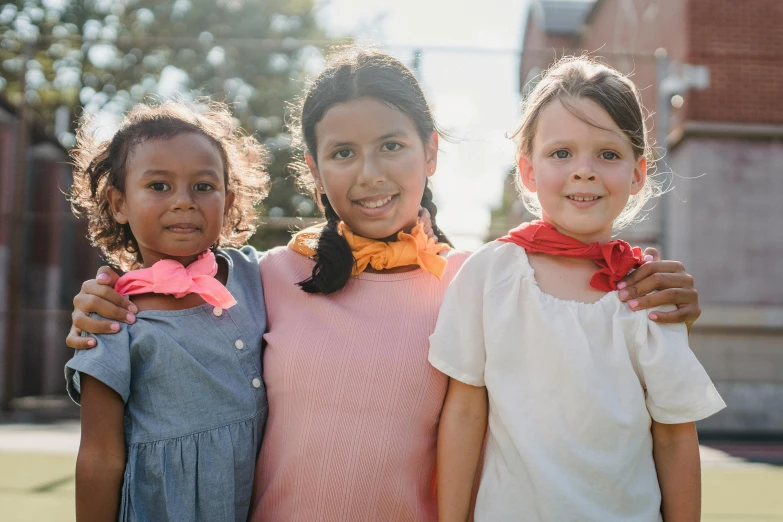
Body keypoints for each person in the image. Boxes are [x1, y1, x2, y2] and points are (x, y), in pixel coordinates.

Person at [66, 47, 704, 521]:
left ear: (429, 153)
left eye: (392, 145)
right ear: (314, 168)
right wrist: (107, 297)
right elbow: (176, 292)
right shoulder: (265, 276)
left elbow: (573, 339)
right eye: (342, 153)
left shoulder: (477, 280)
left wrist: (654, 284)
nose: (370, 173)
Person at [430, 56, 726, 522]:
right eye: (561, 153)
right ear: (527, 170)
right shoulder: (490, 273)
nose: (583, 170)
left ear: (637, 174)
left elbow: (673, 434)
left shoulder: (647, 289)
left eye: (607, 154)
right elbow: (466, 413)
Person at [64, 100, 270, 522]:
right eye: (159, 186)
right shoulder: (111, 318)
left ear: (228, 202)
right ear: (119, 204)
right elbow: (99, 458)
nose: (183, 201)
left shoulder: (256, 275)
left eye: (203, 186)